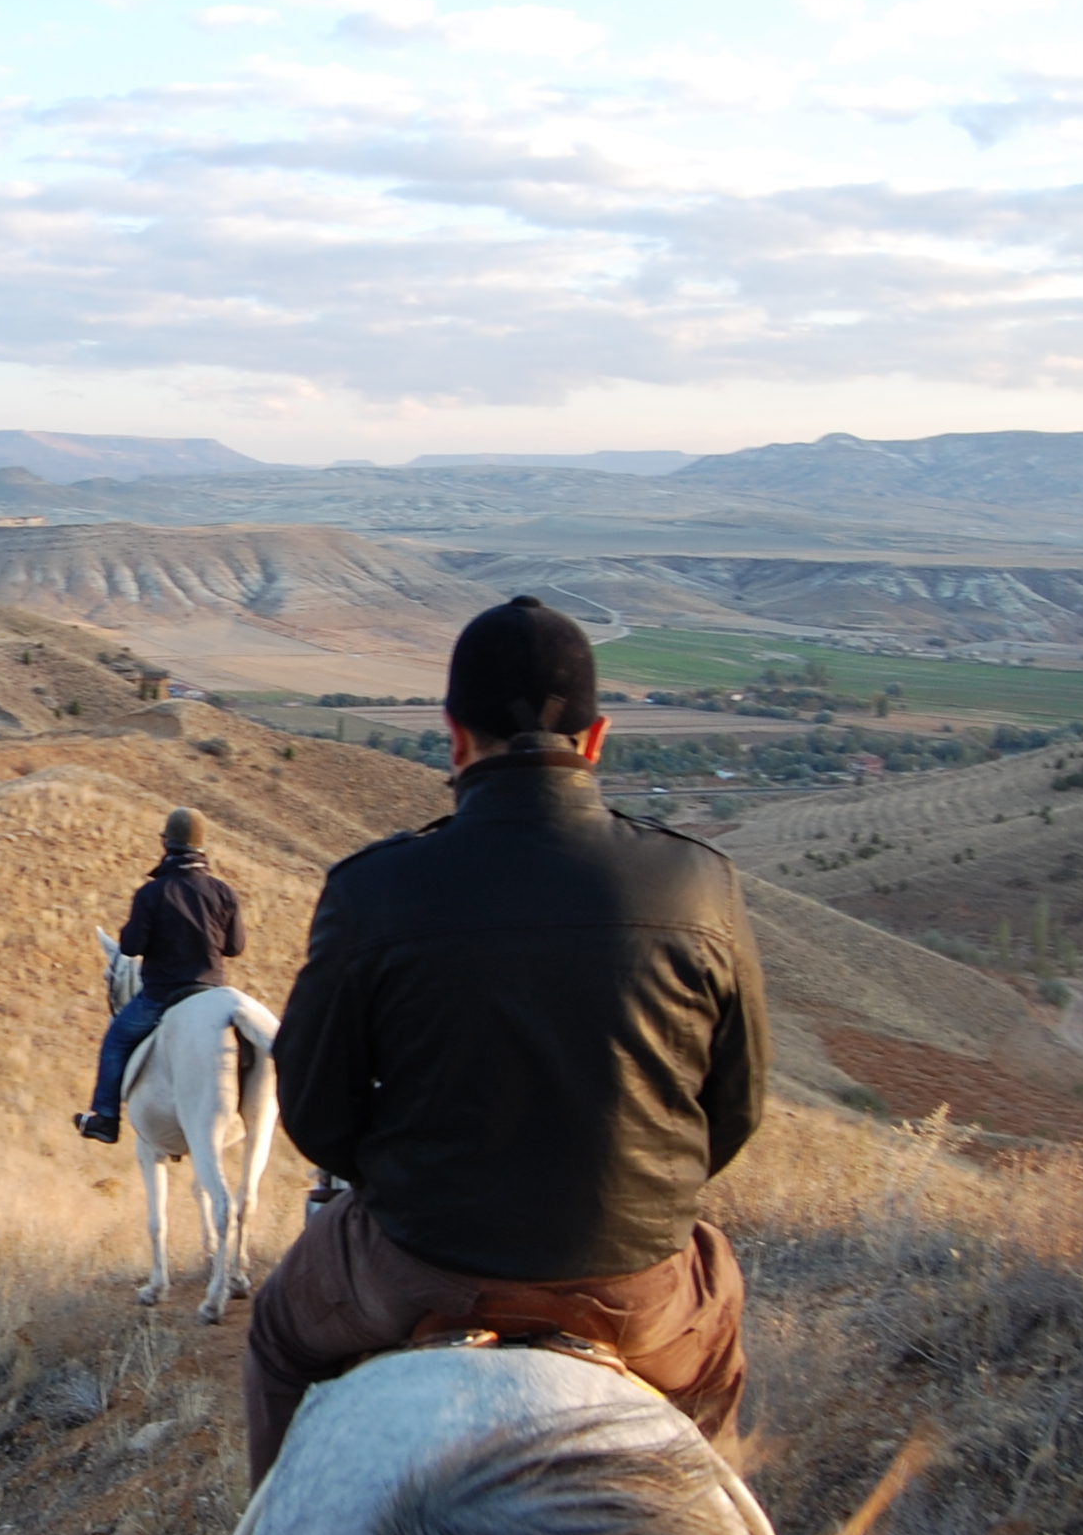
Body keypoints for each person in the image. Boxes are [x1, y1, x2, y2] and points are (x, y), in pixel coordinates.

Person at [247, 595, 768, 1487]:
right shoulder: (700, 884)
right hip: (638, 1285)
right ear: (597, 740)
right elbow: (737, 1107)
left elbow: (317, 1113)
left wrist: (402, 1178)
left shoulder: (374, 890)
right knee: (715, 1339)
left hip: (420, 1268)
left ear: (454, 737)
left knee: (278, 1338)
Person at [75, 807, 245, 1145]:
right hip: (212, 990)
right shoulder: (223, 892)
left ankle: (106, 1118)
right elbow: (235, 947)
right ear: (201, 846)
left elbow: (131, 947)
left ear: (167, 843)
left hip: (163, 994)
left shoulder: (153, 893)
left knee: (116, 1039)